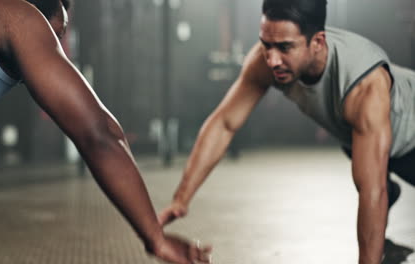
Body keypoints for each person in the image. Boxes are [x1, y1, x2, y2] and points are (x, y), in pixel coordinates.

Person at [0, 0, 212, 263]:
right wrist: (157, 239)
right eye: (55, 35)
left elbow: (106, 129)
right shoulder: (19, 18)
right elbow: (98, 134)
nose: (56, 49)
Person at [158, 0, 415, 263]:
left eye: (284, 47)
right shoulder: (265, 61)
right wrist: (181, 198)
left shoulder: (364, 86)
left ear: (317, 42)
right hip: (364, 136)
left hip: (411, 139)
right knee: (371, 178)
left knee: (374, 186)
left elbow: (373, 191)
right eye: (266, 44)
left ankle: (387, 197)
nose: (272, 59)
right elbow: (224, 123)